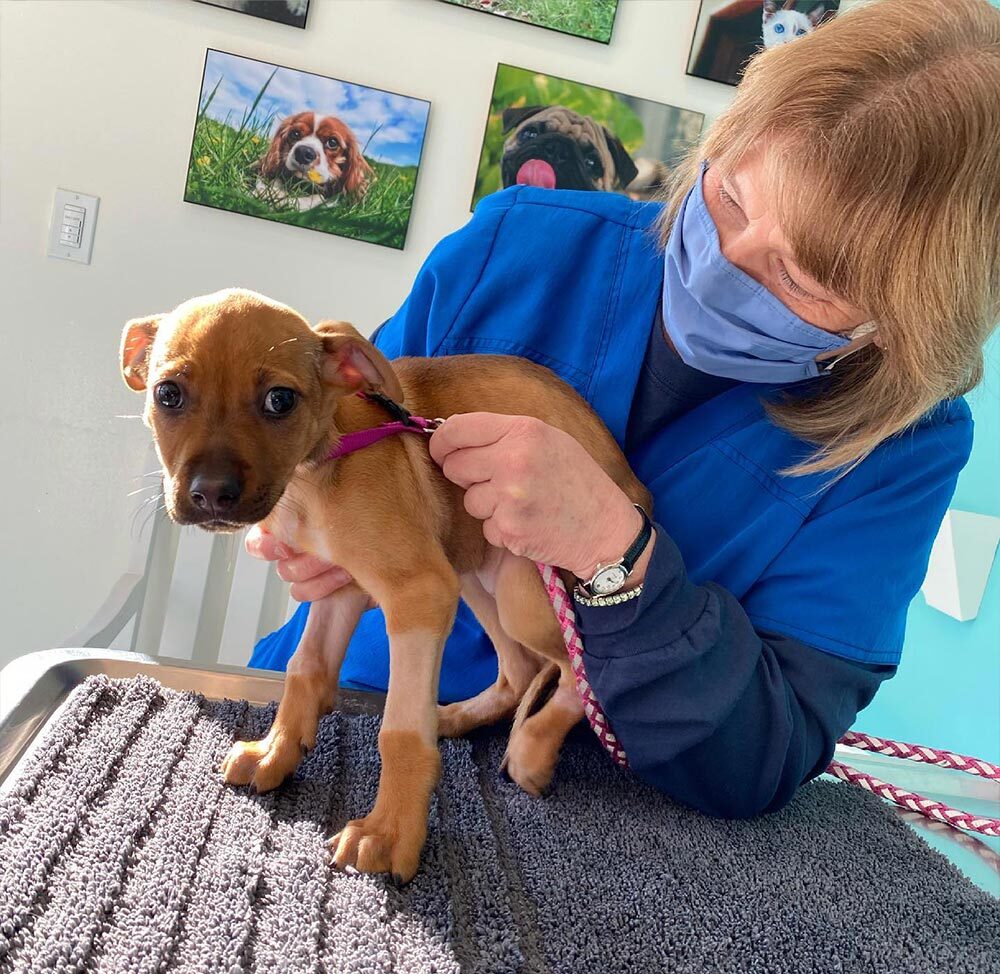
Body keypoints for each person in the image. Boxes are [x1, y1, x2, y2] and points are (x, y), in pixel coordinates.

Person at [247, 0, 1000, 818]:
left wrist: (617, 556)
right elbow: (332, 437)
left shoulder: (901, 450)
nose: (726, 260)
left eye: (802, 274)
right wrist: (296, 509)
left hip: (600, 817)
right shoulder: (515, 246)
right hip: (345, 710)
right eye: (731, 196)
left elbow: (764, 754)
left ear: (904, 324)